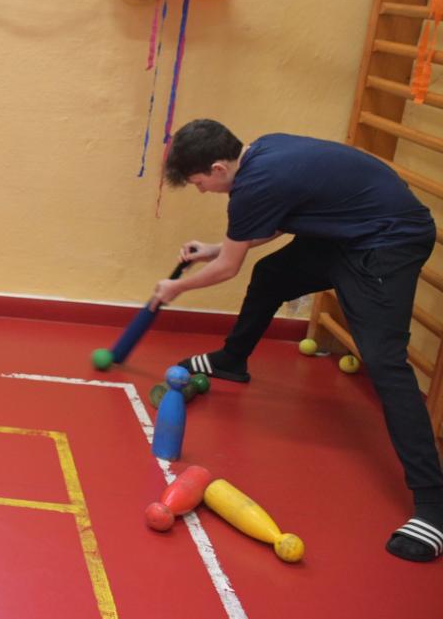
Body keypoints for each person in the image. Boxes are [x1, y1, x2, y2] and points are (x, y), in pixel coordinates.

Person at [157, 118, 443, 562]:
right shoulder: (261, 153)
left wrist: (175, 287)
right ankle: (232, 360)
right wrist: (215, 248)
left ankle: (433, 505)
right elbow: (277, 220)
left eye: (199, 184)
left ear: (217, 168)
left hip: (388, 240)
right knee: (272, 274)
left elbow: (229, 268)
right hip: (346, 235)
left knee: (384, 362)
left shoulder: (255, 183)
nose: (202, 191)